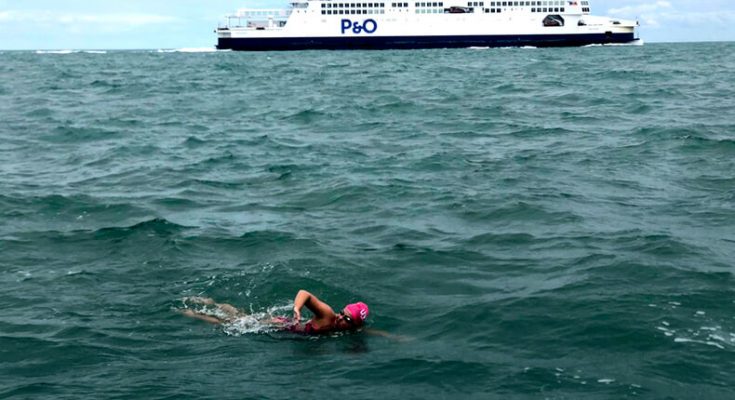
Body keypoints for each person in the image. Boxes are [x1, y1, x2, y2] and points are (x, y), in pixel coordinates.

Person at [181, 289, 369, 335]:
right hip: (279, 324)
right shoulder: (328, 315)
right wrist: (297, 308)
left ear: (354, 325)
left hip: (284, 327)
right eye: (343, 313)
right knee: (229, 323)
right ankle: (188, 312)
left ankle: (210, 302)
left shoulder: (346, 329)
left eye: (347, 319)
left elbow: (367, 331)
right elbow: (304, 293)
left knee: (239, 314)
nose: (341, 318)